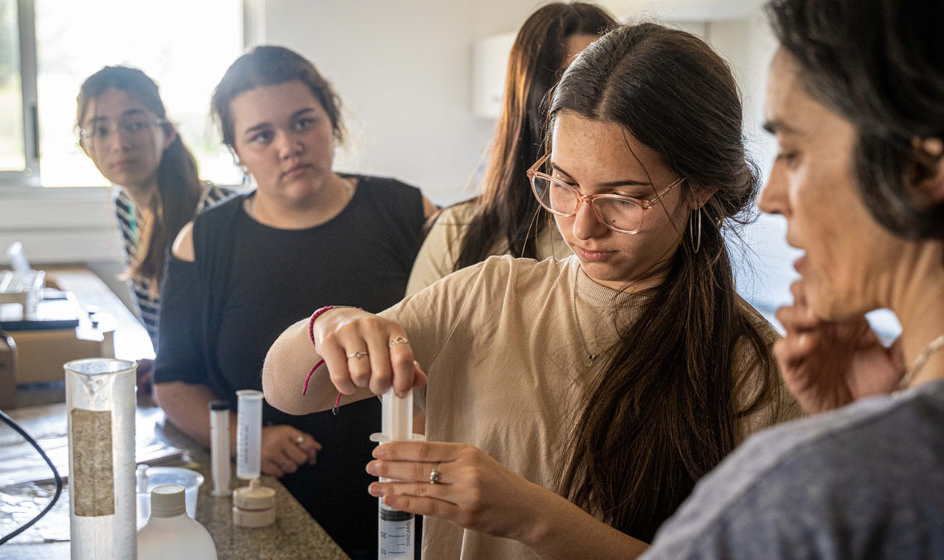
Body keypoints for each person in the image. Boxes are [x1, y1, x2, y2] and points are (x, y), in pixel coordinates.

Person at [264, 24, 798, 559]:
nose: (582, 226)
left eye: (622, 197)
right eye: (564, 183)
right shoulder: (488, 297)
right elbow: (284, 389)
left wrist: (533, 517)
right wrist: (332, 325)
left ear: (701, 185)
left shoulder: (754, 367)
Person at [642, 1, 944, 558]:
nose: (770, 196)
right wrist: (871, 421)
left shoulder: (804, 499)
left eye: (794, 152)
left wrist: (854, 452)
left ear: (921, 168)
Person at [152, 46, 436, 559]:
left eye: (304, 122)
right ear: (237, 151)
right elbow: (173, 380)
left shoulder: (407, 211)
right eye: (262, 135)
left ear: (332, 121)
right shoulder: (203, 241)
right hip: (269, 500)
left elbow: (459, 339)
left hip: (405, 496)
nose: (289, 145)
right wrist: (245, 438)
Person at [405, 2, 617, 296]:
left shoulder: (646, 229)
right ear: (530, 98)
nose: (592, 106)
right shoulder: (458, 233)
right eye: (566, 85)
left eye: (601, 84)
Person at [77, 66, 235, 358]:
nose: (119, 144)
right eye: (100, 130)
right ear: (85, 145)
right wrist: (161, 366)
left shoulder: (218, 212)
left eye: (135, 125)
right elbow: (165, 332)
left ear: (166, 132)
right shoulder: (125, 205)